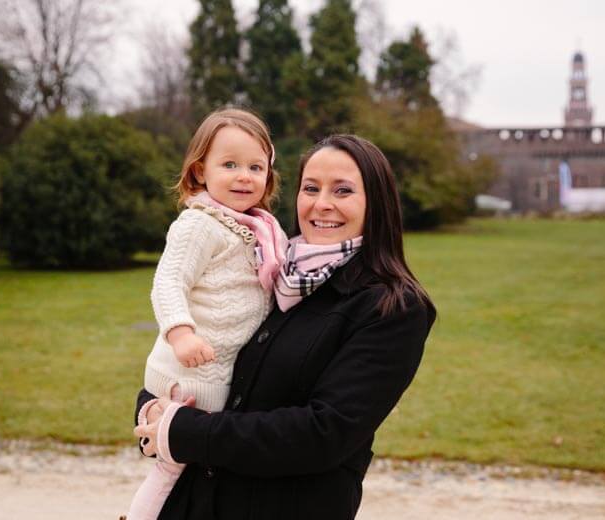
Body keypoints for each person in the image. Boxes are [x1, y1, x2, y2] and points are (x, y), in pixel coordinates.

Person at [134, 134, 436, 520]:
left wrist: (184, 432)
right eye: (311, 188)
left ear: (376, 203)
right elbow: (207, 360)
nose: (321, 203)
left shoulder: (392, 307)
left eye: (342, 190)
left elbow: (324, 433)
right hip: (195, 504)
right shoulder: (272, 274)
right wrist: (151, 411)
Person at [126, 107, 287, 520]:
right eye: (229, 164)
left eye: (256, 166)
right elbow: (168, 282)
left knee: (202, 477)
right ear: (200, 171)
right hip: (189, 374)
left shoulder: (261, 229)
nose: (244, 176)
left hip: (220, 379)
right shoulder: (200, 224)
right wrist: (181, 333)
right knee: (170, 470)